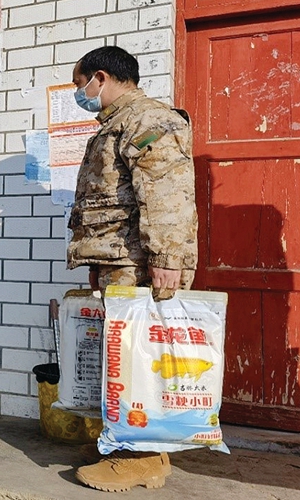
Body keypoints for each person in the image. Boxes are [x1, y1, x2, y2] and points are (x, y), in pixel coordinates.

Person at [67, 46, 198, 492]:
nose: (79, 93)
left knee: (139, 360)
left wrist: (166, 259)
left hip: (141, 264)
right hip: (119, 262)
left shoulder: (148, 120)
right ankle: (125, 445)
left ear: (100, 77)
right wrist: (95, 259)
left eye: (80, 84)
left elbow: (166, 194)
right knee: (122, 358)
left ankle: (141, 459)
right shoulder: (116, 124)